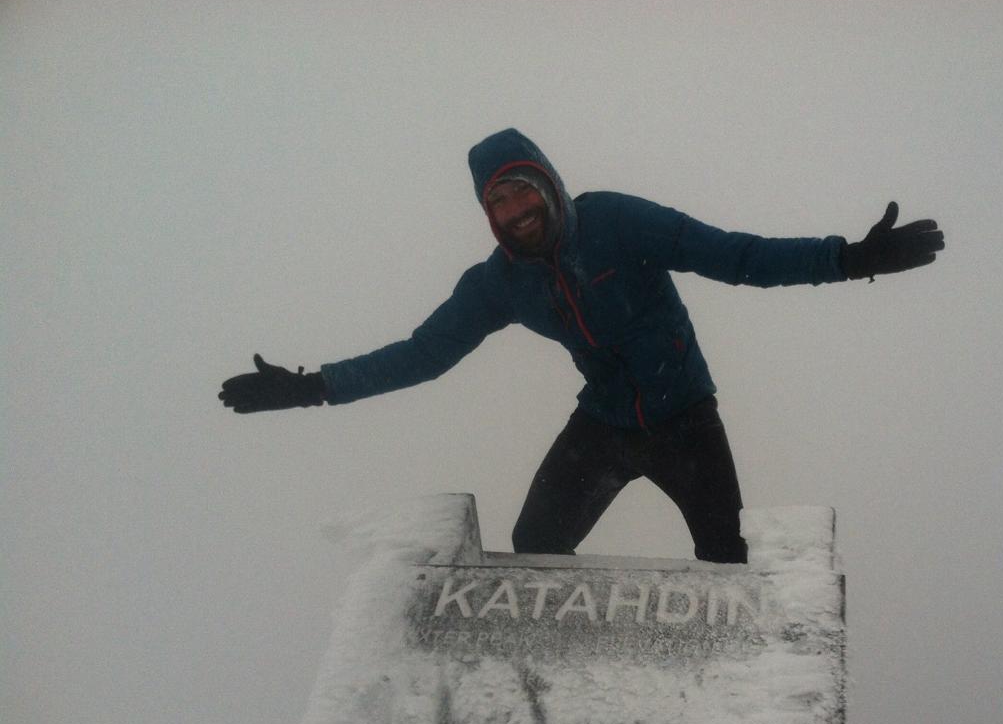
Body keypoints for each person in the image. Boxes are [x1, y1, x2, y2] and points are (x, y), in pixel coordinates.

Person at [219, 128, 944, 563]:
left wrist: (847, 259)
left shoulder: (615, 222)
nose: (512, 211)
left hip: (686, 417)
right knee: (535, 546)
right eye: (495, 203)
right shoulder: (498, 282)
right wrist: (311, 386)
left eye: (519, 191)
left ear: (546, 184)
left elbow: (736, 256)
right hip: (603, 425)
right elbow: (422, 353)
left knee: (727, 561)